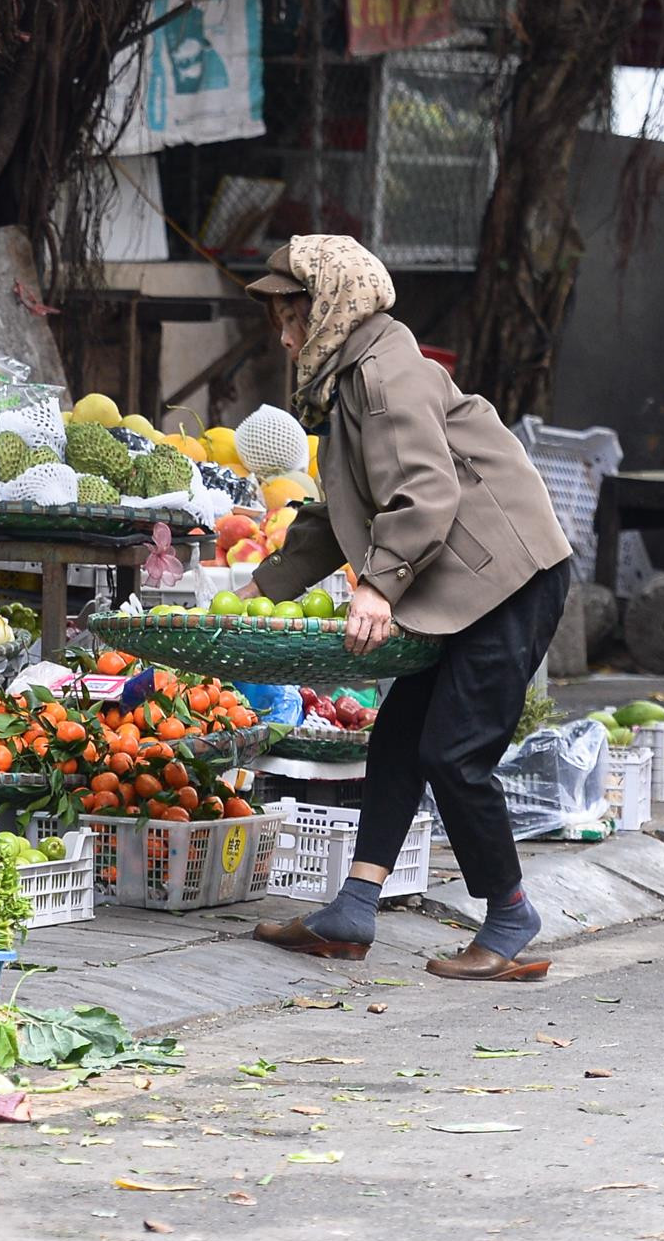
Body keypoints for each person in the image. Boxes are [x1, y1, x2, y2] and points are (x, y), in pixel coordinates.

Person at [240, 235, 574, 981]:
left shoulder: (387, 373)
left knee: (453, 753)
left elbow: (425, 493)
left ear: (330, 308)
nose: (288, 337)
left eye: (294, 317)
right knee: (397, 741)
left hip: (508, 581)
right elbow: (341, 512)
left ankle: (512, 911)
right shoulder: (352, 379)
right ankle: (354, 909)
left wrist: (378, 584)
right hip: (461, 587)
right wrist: (264, 585)